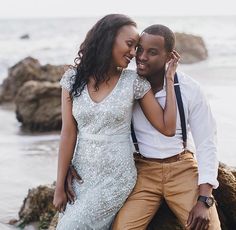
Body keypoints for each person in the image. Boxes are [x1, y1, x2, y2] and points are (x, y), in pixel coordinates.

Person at [66, 24, 221, 230]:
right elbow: (91, 125)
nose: (141, 57)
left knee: (209, 227)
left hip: (182, 167)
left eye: (152, 52)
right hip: (143, 170)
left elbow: (207, 144)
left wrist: (204, 199)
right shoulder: (126, 85)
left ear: (169, 57)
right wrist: (71, 165)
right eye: (139, 49)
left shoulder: (189, 89)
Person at [53, 15, 179, 230]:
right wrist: (60, 183)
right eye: (130, 45)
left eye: (136, 47)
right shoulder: (72, 79)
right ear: (108, 39)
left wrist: (169, 79)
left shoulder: (133, 82)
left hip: (117, 177)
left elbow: (167, 128)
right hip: (81, 177)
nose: (134, 53)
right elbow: (68, 133)